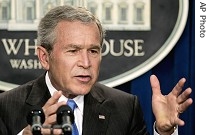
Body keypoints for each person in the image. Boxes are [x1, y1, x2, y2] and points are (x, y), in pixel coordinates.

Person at [0, 5, 193, 135]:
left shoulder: (124, 107)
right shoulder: (6, 107)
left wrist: (164, 132)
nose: (86, 62)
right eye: (73, 51)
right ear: (44, 57)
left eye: (93, 51)